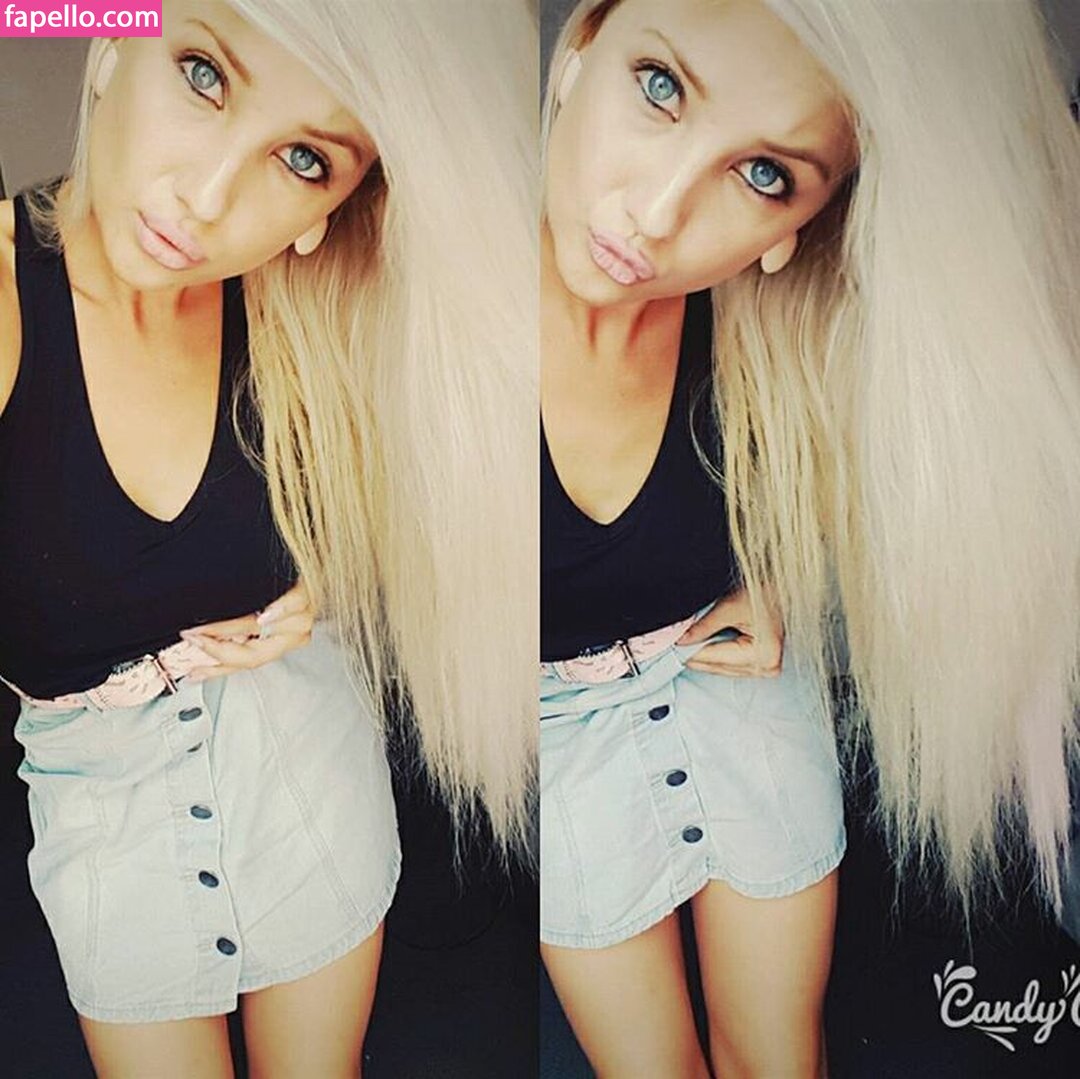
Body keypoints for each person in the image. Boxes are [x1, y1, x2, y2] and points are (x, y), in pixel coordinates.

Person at [539, 1, 1080, 1076]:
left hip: (736, 690)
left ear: (795, 228)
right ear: (582, 47)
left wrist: (783, 570)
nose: (655, 212)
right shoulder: (432, 326)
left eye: (764, 174)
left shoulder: (777, 340)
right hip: (556, 733)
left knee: (779, 1059)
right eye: (660, 87)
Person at [0, 0, 537, 1075]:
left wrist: (331, 571)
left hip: (307, 769)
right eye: (203, 73)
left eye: (302, 159)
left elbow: (466, 488)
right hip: (112, 820)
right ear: (115, 42)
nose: (206, 198)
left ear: (328, 209)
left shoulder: (314, 315)